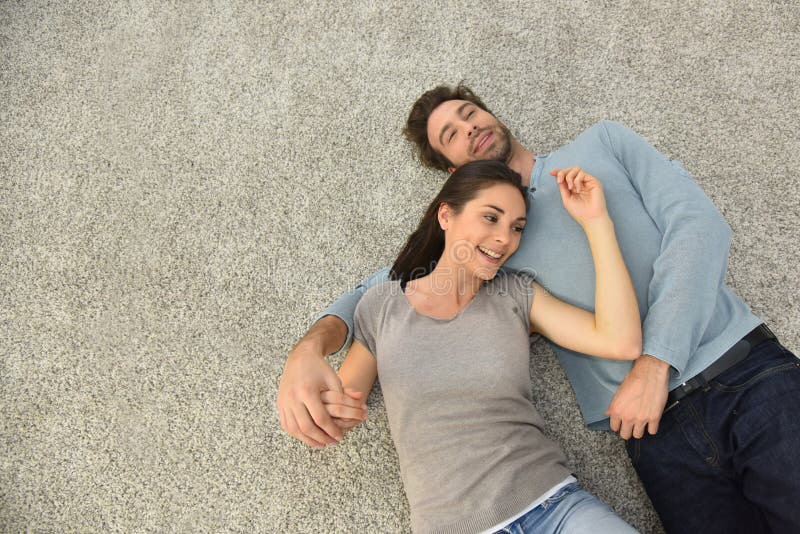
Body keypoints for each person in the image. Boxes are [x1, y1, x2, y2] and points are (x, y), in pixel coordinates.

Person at [277, 84, 800, 534]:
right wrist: (308, 351)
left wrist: (655, 362)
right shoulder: (486, 247)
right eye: (451, 137)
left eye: (468, 113)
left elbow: (699, 228)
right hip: (654, 433)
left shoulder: (603, 144)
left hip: (744, 374)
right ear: (453, 176)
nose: (469, 128)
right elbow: (378, 291)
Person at [316, 160, 640, 533]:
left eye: (516, 228)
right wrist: (309, 368)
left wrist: (597, 222)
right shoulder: (382, 306)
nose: (505, 238)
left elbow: (622, 340)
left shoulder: (516, 295)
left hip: (556, 507)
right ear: (446, 216)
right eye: (491, 218)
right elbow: (336, 411)